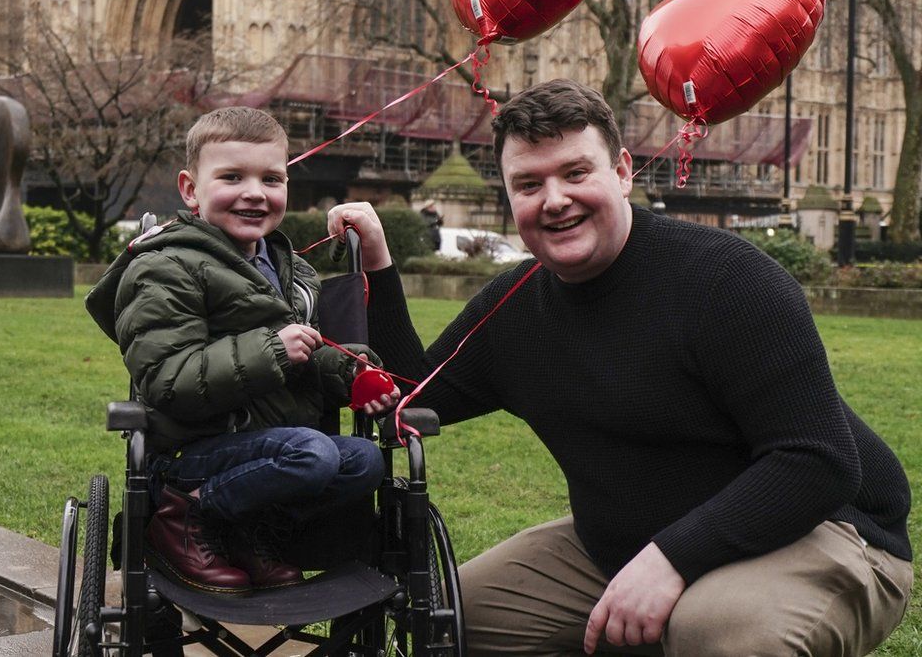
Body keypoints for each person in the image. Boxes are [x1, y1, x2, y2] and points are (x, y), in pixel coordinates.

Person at [327, 79, 913, 655]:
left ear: (623, 171)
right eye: (529, 184)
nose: (554, 199)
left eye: (575, 173)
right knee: (456, 619)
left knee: (717, 633)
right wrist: (377, 262)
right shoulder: (512, 310)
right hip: (626, 543)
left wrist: (672, 559)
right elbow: (409, 398)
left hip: (825, 529)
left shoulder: (726, 280)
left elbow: (818, 461)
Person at [86, 107, 398, 592]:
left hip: (275, 451)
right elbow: (168, 381)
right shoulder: (166, 268)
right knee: (313, 453)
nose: (255, 192)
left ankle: (251, 533)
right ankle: (184, 517)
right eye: (233, 177)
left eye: (271, 178)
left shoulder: (295, 272)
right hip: (192, 454)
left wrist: (350, 371)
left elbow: (309, 355)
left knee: (363, 460)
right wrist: (272, 350)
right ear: (191, 190)